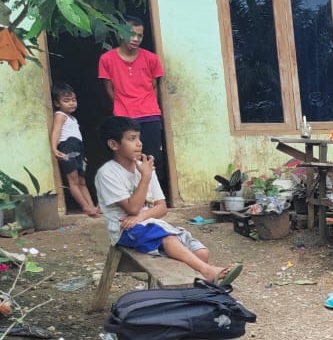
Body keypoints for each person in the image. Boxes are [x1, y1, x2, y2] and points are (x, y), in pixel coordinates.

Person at [95, 116, 241, 286]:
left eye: (139, 138)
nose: (139, 143)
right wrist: (145, 178)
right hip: (125, 231)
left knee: (201, 253)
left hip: (151, 225)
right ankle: (208, 272)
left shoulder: (146, 168)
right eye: (132, 139)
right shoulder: (108, 173)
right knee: (168, 240)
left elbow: (162, 208)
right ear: (114, 145)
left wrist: (141, 216)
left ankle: (197, 297)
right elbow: (133, 208)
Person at [99, 17, 166, 189]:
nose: (135, 39)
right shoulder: (107, 59)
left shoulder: (151, 58)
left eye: (140, 36)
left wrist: (153, 108)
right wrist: (121, 107)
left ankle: (153, 197)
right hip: (124, 117)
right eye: (131, 34)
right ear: (121, 33)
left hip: (150, 114)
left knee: (151, 157)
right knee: (127, 159)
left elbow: (154, 86)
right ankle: (131, 196)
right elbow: (109, 88)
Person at [50, 83, 100, 217]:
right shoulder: (60, 115)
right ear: (56, 103)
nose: (71, 103)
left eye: (73, 100)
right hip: (67, 148)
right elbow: (56, 131)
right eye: (66, 101)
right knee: (73, 181)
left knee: (82, 181)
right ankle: (85, 207)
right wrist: (54, 148)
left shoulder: (73, 118)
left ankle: (92, 207)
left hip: (78, 149)